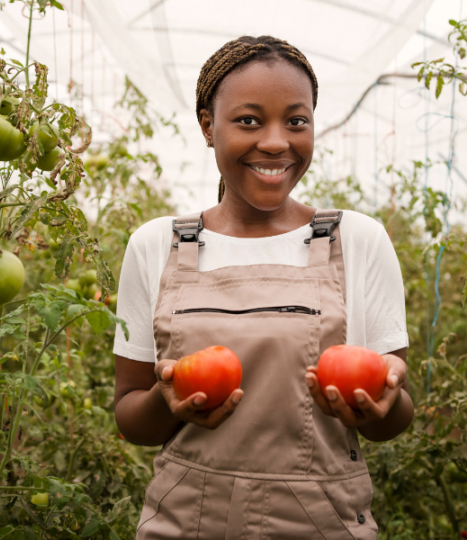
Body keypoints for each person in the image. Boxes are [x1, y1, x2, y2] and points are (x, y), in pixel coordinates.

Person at [113, 36, 413, 539]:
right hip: (185, 524)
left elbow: (393, 418)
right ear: (209, 126)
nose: (276, 142)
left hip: (324, 525)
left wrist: (378, 404)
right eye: (249, 120)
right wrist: (166, 401)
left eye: (296, 121)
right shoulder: (156, 245)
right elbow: (129, 418)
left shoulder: (358, 240)